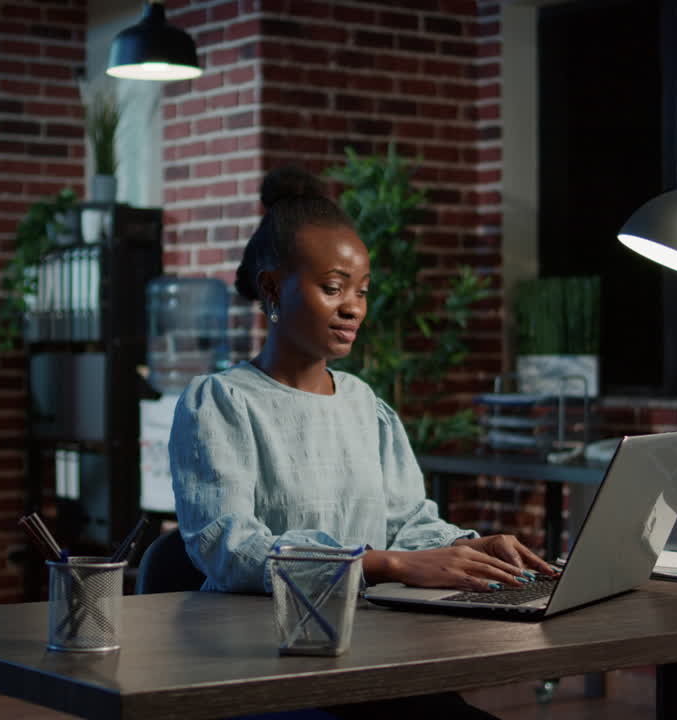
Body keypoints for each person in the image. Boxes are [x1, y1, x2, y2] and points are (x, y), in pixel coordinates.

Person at [168, 166, 555, 719]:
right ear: (274, 288)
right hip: (266, 659)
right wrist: (384, 565)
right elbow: (231, 549)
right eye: (333, 288)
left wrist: (469, 547)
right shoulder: (221, 402)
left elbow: (409, 522)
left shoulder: (364, 404)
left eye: (362, 292)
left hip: (372, 653)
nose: (353, 307)